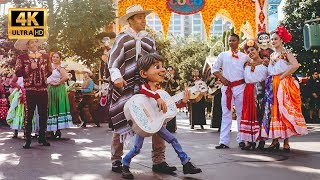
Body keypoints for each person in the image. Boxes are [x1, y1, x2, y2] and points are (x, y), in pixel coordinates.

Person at [107, 4, 176, 175]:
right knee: (122, 119)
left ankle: (159, 160)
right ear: (130, 20)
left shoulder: (149, 40)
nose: (143, 20)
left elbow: (155, 62)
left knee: (159, 118)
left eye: (144, 17)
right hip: (125, 85)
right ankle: (116, 159)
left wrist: (159, 74)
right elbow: (113, 61)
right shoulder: (122, 38)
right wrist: (116, 77)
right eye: (139, 17)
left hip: (146, 85)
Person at [121, 53, 202, 179]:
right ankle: (125, 164)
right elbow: (144, 91)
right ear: (144, 74)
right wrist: (157, 97)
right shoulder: (146, 87)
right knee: (137, 149)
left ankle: (186, 163)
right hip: (144, 122)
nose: (163, 69)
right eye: (157, 67)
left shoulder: (161, 90)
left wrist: (184, 101)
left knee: (173, 140)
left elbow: (170, 108)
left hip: (157, 123)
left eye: (162, 66)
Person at [261, 26, 308, 152]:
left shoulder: (286, 53)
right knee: (273, 110)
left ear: (282, 39)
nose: (273, 41)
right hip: (272, 84)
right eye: (272, 39)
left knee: (283, 110)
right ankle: (275, 140)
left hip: (282, 84)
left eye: (276, 39)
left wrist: (283, 76)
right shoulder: (272, 55)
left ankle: (286, 141)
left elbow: (295, 65)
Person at [211, 34, 251, 149]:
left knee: (240, 113)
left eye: (233, 40)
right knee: (226, 114)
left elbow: (253, 63)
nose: (231, 43)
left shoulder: (244, 56)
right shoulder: (223, 55)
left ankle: (242, 139)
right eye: (229, 41)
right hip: (227, 88)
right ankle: (224, 141)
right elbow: (214, 69)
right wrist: (222, 78)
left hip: (240, 87)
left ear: (238, 42)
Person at [12, 39, 51, 148]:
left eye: (35, 42)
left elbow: (50, 71)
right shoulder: (22, 58)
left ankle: (42, 137)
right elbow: (18, 72)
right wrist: (29, 68)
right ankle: (28, 140)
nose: (34, 44)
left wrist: (41, 75)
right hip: (29, 90)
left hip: (43, 89)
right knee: (29, 114)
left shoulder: (45, 56)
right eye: (31, 42)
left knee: (43, 114)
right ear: (27, 45)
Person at [239, 40, 268, 150]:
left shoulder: (265, 64)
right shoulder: (246, 65)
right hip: (248, 91)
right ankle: (249, 141)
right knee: (247, 114)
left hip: (261, 91)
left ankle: (261, 139)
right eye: (248, 51)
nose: (251, 52)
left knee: (260, 114)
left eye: (252, 50)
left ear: (257, 50)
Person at [46, 52, 73, 138]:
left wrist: (57, 82)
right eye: (53, 57)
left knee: (58, 107)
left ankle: (58, 130)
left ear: (60, 59)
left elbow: (65, 77)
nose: (55, 58)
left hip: (58, 89)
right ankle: (50, 130)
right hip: (50, 88)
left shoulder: (60, 67)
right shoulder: (49, 67)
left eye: (57, 57)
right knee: (51, 107)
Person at [163, 66, 180, 132]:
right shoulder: (165, 77)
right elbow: (162, 84)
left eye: (170, 70)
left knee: (172, 110)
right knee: (165, 110)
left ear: (173, 71)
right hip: (165, 95)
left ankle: (172, 127)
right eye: (168, 70)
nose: (169, 71)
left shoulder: (176, 78)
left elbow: (176, 85)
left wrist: (170, 78)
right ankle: (165, 126)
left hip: (172, 95)